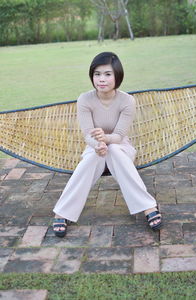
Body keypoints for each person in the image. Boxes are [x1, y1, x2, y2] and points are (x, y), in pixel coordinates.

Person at [53, 52, 162, 237]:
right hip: (94, 147)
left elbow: (119, 136)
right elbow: (88, 134)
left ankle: (147, 207)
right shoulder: (84, 100)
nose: (101, 79)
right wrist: (97, 145)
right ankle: (62, 213)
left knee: (114, 151)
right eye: (97, 74)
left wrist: (106, 140)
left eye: (107, 74)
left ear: (117, 76)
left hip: (121, 147)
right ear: (92, 76)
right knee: (90, 159)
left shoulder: (127, 100)